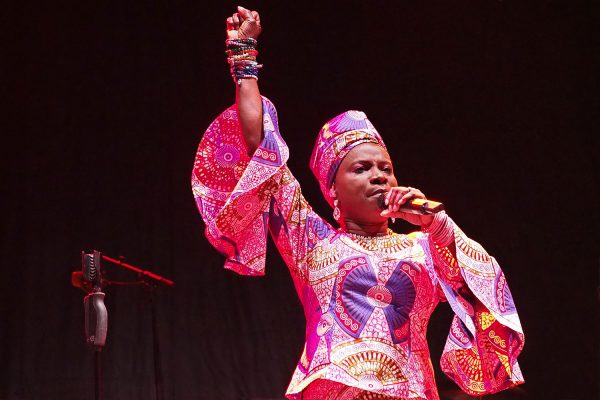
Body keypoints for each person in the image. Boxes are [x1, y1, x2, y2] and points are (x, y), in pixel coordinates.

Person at [191, 6, 524, 400]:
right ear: (333, 191)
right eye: (362, 168)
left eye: (386, 167)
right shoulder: (311, 241)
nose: (379, 175)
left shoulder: (424, 246)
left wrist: (435, 223)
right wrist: (243, 56)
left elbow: (486, 290)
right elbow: (260, 147)